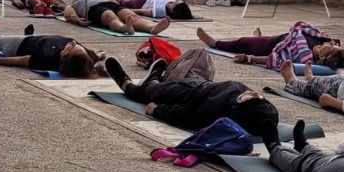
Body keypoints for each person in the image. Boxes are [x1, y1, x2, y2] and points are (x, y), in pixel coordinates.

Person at [102, 54, 279, 141]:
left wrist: (157, 110)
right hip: (202, 84)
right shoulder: (260, 110)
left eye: (254, 97)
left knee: (146, 92)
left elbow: (184, 116)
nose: (254, 93)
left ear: (243, 106)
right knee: (199, 57)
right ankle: (156, 77)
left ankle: (129, 84)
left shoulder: (212, 112)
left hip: (185, 95)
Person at [198, 22, 344, 70]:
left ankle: (214, 43)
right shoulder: (322, 39)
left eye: (331, 47)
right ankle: (257, 38)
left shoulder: (304, 57)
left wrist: (249, 58)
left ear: (323, 56)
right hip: (283, 38)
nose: (331, 43)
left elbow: (276, 60)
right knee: (254, 41)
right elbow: (303, 27)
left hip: (272, 46)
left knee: (243, 43)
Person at [0, 31, 100, 77]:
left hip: (20, 45)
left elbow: (20, 60)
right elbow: (98, 56)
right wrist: (100, 55)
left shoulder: (47, 59)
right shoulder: (87, 56)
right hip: (40, 38)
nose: (73, 42)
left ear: (65, 57)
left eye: (72, 47)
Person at [64, 0, 169, 35]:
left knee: (130, 15)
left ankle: (151, 28)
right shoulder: (76, 4)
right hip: (93, 9)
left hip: (111, 4)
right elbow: (68, 12)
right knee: (110, 17)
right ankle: (124, 28)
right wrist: (76, 19)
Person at [115, 0, 194, 22]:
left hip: (143, 3)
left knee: (130, 2)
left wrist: (127, 10)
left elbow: (142, 11)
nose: (176, 1)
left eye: (174, 4)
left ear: (171, 10)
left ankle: (121, 1)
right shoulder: (177, 3)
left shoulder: (160, 11)